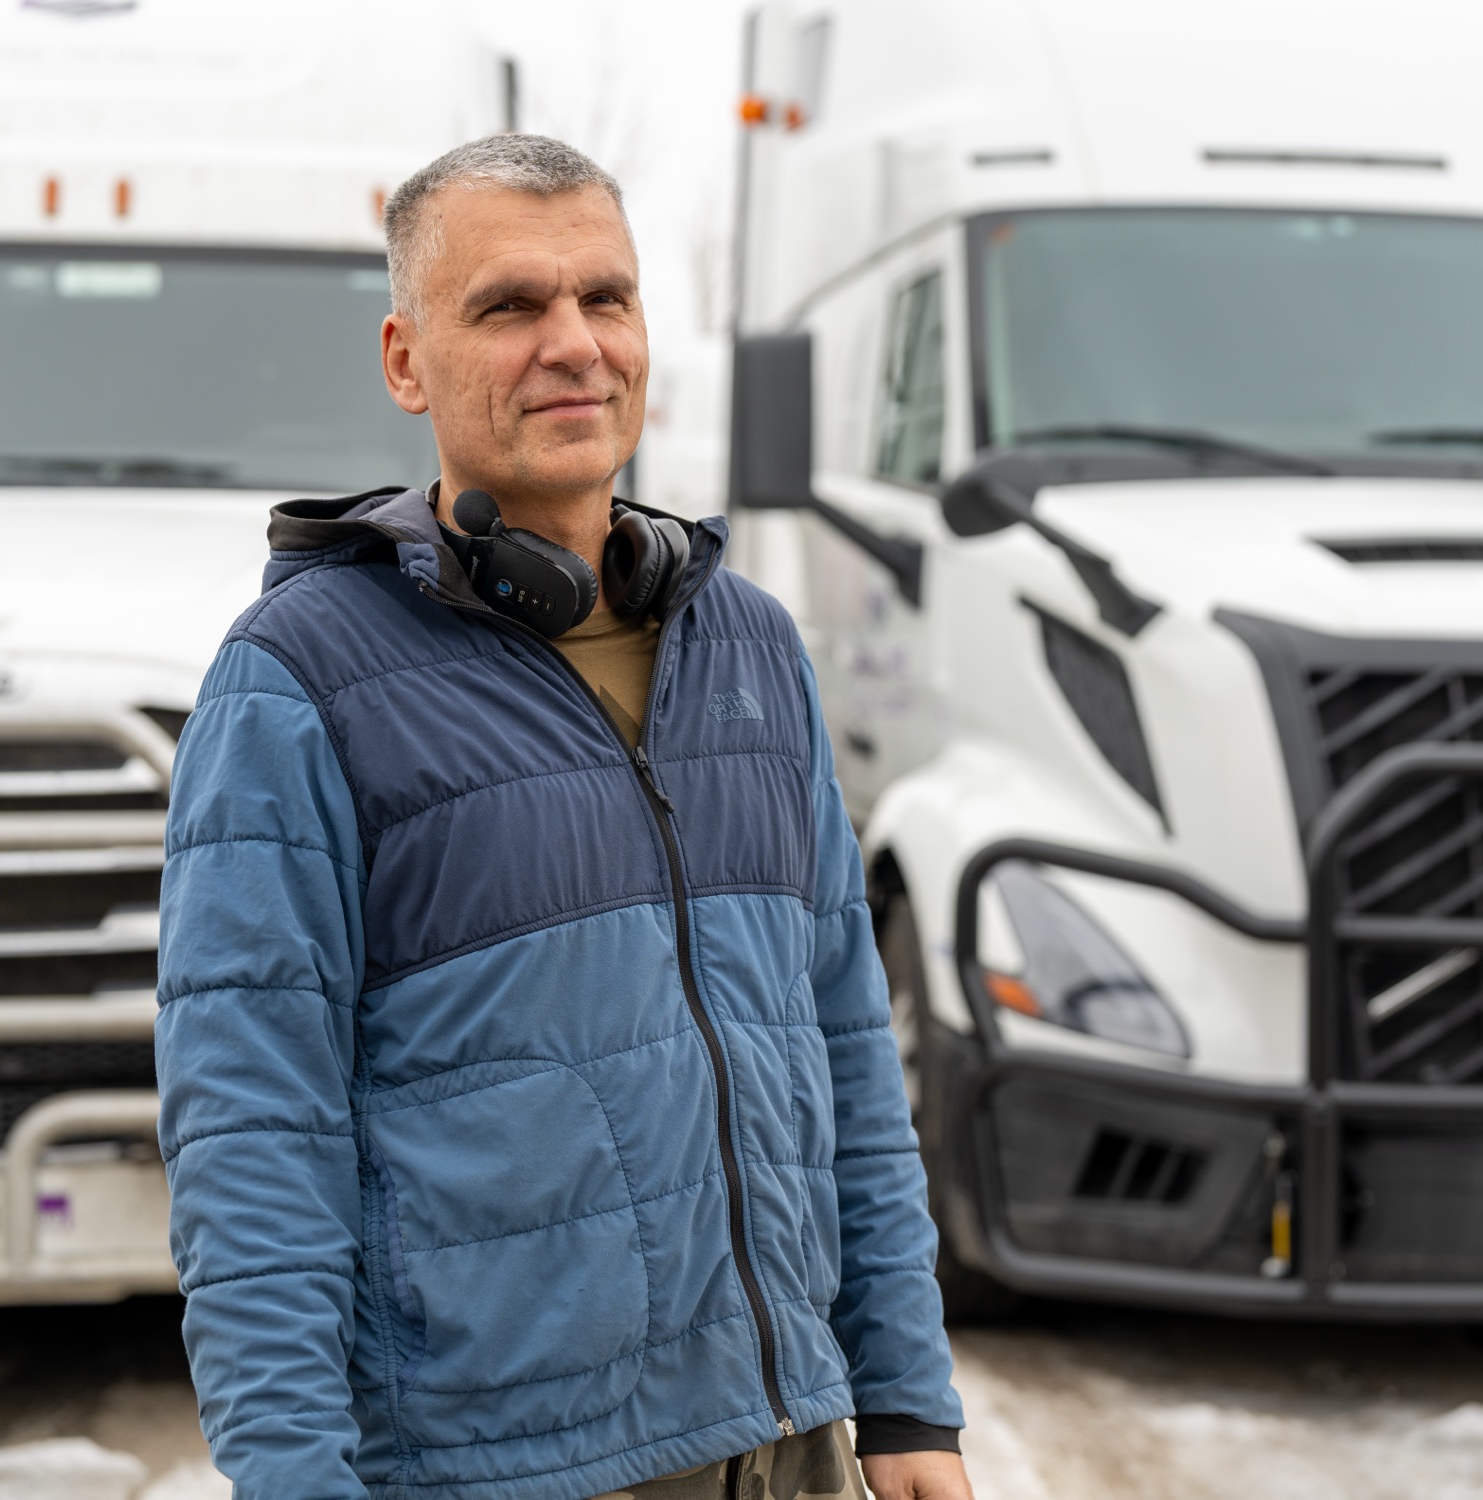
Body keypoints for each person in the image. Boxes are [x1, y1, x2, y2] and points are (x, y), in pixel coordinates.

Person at [154, 133, 973, 1500]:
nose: (575, 344)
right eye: (511, 306)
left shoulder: (752, 647)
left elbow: (842, 1050)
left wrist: (901, 1396)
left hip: (791, 1444)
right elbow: (252, 1138)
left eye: (607, 298)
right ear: (407, 359)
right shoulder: (298, 681)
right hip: (497, 1470)